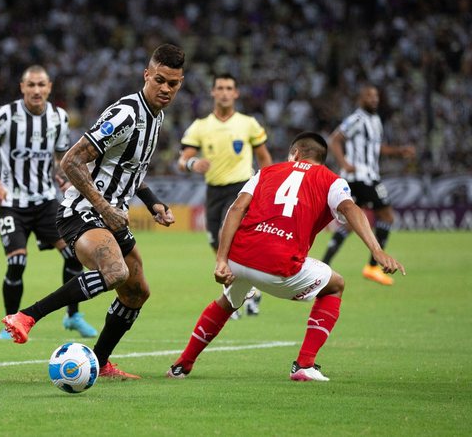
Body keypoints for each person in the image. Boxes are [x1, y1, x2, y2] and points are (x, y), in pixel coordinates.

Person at [0, 44, 184, 379]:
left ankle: (99, 362)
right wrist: (105, 207)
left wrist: (154, 202)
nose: (166, 89)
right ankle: (26, 316)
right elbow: (71, 160)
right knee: (115, 273)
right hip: (82, 211)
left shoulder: (156, 118)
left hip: (112, 216)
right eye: (160, 80)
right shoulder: (127, 114)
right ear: (147, 75)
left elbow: (132, 172)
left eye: (173, 83)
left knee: (137, 292)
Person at [166, 132, 405, 381]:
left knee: (227, 303)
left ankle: (181, 366)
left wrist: (221, 260)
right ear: (321, 159)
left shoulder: (266, 172)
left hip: (240, 256)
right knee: (335, 285)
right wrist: (376, 250)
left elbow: (236, 208)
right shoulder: (332, 180)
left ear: (296, 154)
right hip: (278, 265)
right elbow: (350, 208)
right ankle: (304, 364)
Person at [0, 65, 98, 340]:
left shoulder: (59, 118)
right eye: (31, 85)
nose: (37, 90)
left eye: (41, 85)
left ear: (49, 87)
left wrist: (64, 178)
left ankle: (73, 316)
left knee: (74, 255)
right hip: (11, 202)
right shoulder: (6, 116)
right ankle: (11, 322)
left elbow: (61, 156)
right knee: (17, 263)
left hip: (45, 201)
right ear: (22, 87)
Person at [177, 73, 273, 317]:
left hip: (241, 186)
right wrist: (192, 164)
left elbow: (263, 157)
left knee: (225, 235)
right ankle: (247, 291)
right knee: (216, 243)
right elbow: (183, 159)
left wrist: (267, 184)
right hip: (214, 189)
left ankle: (236, 299)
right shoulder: (201, 126)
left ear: (236, 93)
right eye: (220, 88)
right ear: (213, 92)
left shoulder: (248, 123)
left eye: (229, 88)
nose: (224, 92)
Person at [321, 84, 415, 285]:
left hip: (366, 175)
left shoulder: (375, 120)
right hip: (362, 177)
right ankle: (373, 266)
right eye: (369, 96)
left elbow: (375, 147)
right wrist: (344, 163)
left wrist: (399, 151)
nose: (374, 99)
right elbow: (334, 139)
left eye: (376, 96)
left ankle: (325, 263)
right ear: (360, 98)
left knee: (351, 223)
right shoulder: (357, 119)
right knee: (387, 216)